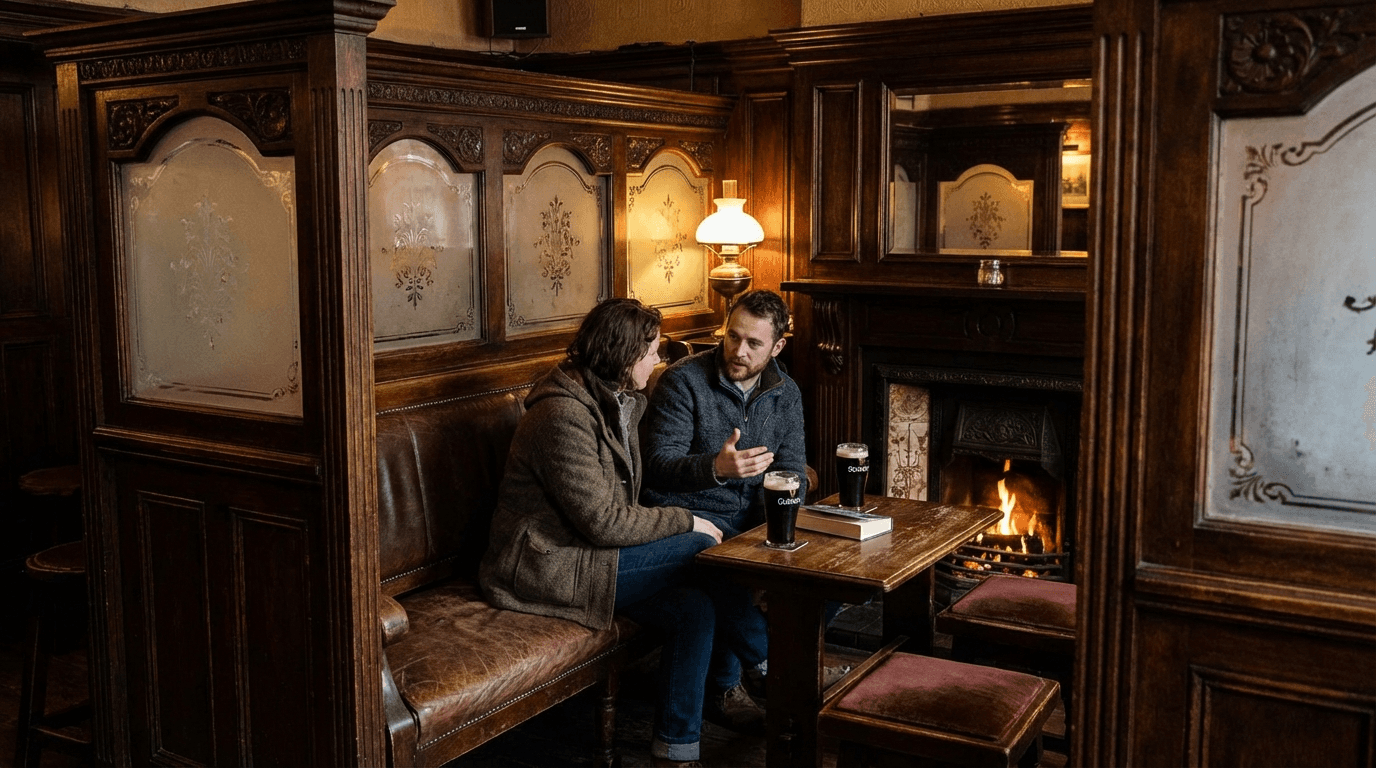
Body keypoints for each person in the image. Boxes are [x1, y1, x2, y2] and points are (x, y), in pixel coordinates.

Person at [479, 297, 764, 767]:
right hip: (544, 566)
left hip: (590, 554)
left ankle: (676, 750)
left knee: (694, 607)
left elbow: (624, 504)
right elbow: (604, 520)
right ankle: (765, 663)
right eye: (652, 351)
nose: (659, 360)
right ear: (624, 354)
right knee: (701, 545)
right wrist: (688, 521)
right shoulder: (560, 415)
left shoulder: (622, 400)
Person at [642, 290, 848, 726]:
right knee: (725, 567)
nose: (738, 351)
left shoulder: (785, 391)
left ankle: (765, 668)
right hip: (691, 517)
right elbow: (657, 469)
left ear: (777, 347)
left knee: (830, 572)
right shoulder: (683, 381)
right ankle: (768, 672)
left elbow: (792, 464)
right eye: (732, 336)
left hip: (754, 520)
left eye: (754, 343)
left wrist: (778, 531)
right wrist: (717, 466)